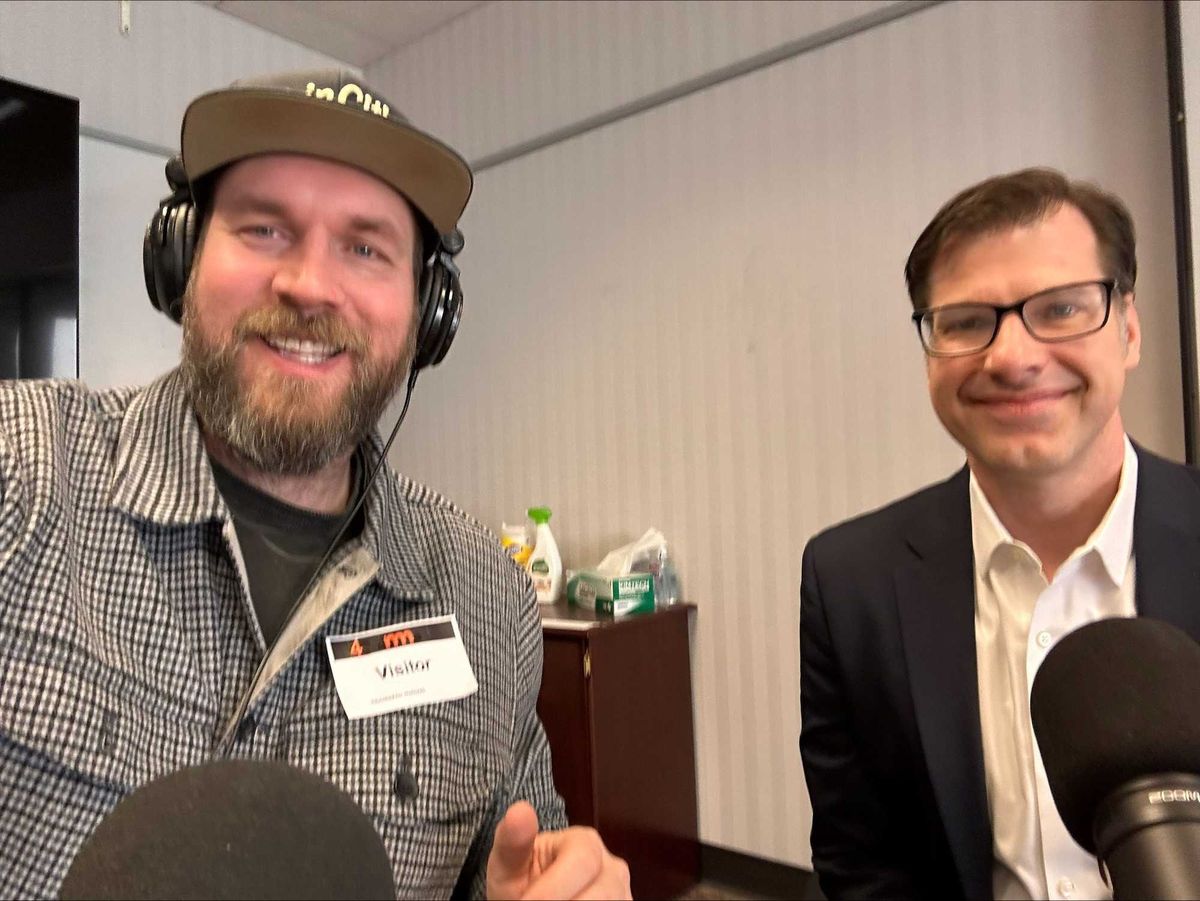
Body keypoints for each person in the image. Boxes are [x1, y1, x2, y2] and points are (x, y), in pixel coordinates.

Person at [0, 69, 629, 900]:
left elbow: (515, 863)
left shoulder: (485, 596)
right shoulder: (20, 468)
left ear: (427, 315)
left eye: (366, 247)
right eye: (264, 228)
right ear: (180, 259)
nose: (308, 285)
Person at [799, 167, 1200, 900]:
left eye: (1063, 308)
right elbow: (862, 869)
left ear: (1130, 329)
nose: (1011, 356)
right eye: (964, 321)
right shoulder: (850, 583)